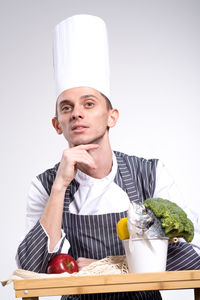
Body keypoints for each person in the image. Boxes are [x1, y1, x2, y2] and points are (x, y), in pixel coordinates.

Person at [17, 15, 200, 300]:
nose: (77, 113)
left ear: (111, 117)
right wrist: (59, 187)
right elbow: (32, 269)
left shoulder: (151, 174)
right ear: (57, 125)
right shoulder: (45, 186)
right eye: (66, 108)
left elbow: (192, 257)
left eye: (89, 104)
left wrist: (108, 269)